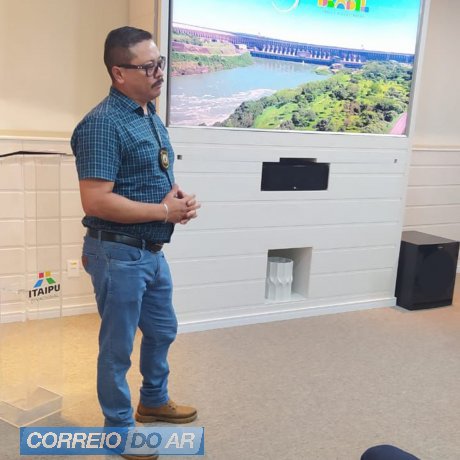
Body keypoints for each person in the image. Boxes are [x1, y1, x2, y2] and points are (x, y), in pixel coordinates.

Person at [71, 26, 200, 459]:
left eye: (159, 62)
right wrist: (164, 212)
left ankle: (154, 401)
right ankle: (119, 430)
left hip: (150, 251)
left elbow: (154, 176)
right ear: (118, 73)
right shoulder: (102, 124)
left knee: (163, 330)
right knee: (117, 349)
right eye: (148, 66)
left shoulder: (149, 115)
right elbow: (97, 200)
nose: (159, 72)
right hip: (117, 252)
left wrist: (178, 199)